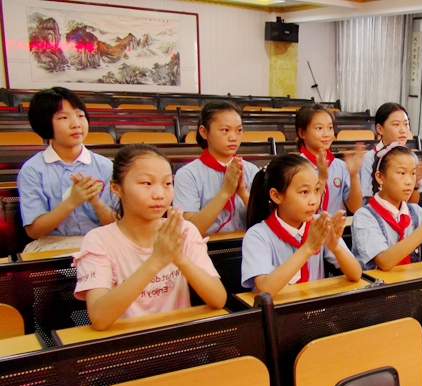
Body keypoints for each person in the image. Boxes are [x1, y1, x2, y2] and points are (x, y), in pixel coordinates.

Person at [73, 145, 226, 331]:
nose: (159, 195)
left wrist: (179, 258)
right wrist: (156, 261)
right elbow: (99, 318)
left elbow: (218, 299)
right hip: (126, 341)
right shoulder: (98, 240)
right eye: (146, 183)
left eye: (167, 183)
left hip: (179, 337)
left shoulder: (183, 230)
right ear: (116, 188)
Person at [240, 155, 361, 297]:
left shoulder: (319, 224)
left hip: (315, 306)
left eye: (317, 190)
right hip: (279, 309)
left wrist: (335, 247)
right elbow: (265, 288)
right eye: (304, 192)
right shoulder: (257, 235)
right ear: (276, 196)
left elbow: (356, 274)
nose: (314, 201)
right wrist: (308, 248)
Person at [18, 86, 116, 252]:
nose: (76, 124)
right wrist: (72, 201)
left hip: (100, 242)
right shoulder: (32, 170)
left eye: (80, 116)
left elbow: (117, 223)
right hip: (52, 245)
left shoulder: (105, 166)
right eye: (63, 117)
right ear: (44, 123)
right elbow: (34, 231)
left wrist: (96, 202)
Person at [352, 144, 422, 271]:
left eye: (413, 173)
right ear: (380, 177)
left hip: (411, 281)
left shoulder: (416, 211)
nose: (409, 181)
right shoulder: (364, 216)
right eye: (401, 173)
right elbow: (384, 262)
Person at [174, 101, 259, 235]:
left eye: (239, 130)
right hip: (205, 246)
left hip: (247, 242)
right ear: (204, 132)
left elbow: (265, 223)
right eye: (225, 130)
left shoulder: (251, 170)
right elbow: (189, 230)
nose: (233, 137)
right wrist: (225, 192)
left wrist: (243, 193)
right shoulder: (187, 174)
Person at [295, 104, 364, 214]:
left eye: (330, 128)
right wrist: (321, 178)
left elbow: (355, 207)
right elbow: (301, 211)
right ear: (302, 133)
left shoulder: (340, 166)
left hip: (339, 225)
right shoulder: (295, 168)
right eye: (319, 128)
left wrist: (354, 175)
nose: (326, 134)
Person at [359, 103, 422, 204]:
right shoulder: (369, 158)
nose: (403, 130)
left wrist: (415, 184)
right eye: (396, 124)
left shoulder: (412, 157)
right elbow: (370, 200)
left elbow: (413, 202)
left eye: (406, 124)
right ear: (380, 129)